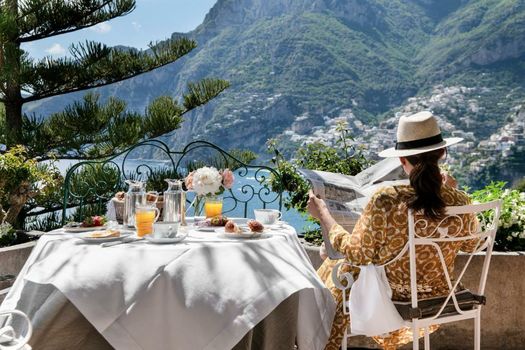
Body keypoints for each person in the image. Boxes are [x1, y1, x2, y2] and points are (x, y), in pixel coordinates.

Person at [308, 111, 478, 350]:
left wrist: (324, 215)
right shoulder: (460, 200)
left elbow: (358, 254)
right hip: (442, 298)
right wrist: (451, 191)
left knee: (339, 267)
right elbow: (472, 245)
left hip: (392, 299)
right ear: (441, 153)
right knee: (337, 264)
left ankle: (318, 343)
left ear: (402, 161)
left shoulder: (387, 199)